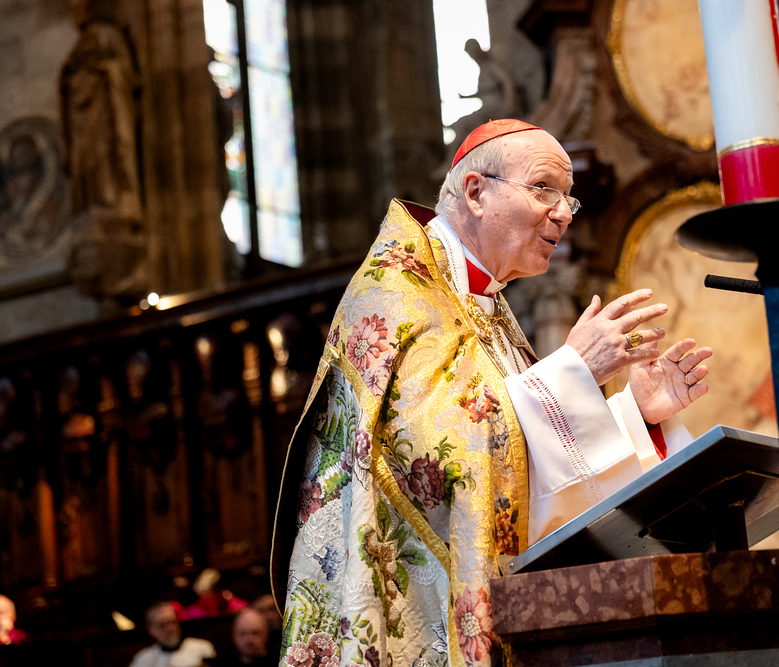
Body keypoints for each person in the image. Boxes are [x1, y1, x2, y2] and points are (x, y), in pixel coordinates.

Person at [272, 119, 711, 667]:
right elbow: (439, 463)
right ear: (477, 192)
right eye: (544, 188)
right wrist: (572, 371)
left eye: (569, 199)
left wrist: (634, 414)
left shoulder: (484, 303)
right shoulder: (397, 290)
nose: (563, 213)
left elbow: (527, 461)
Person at [130, 602, 215, 667]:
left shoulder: (201, 647)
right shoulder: (143, 659)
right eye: (162, 625)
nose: (170, 628)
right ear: (151, 629)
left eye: (172, 622)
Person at [182, 568, 248, 620]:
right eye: (204, 593)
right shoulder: (193, 612)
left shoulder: (235, 606)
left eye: (214, 590)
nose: (207, 595)